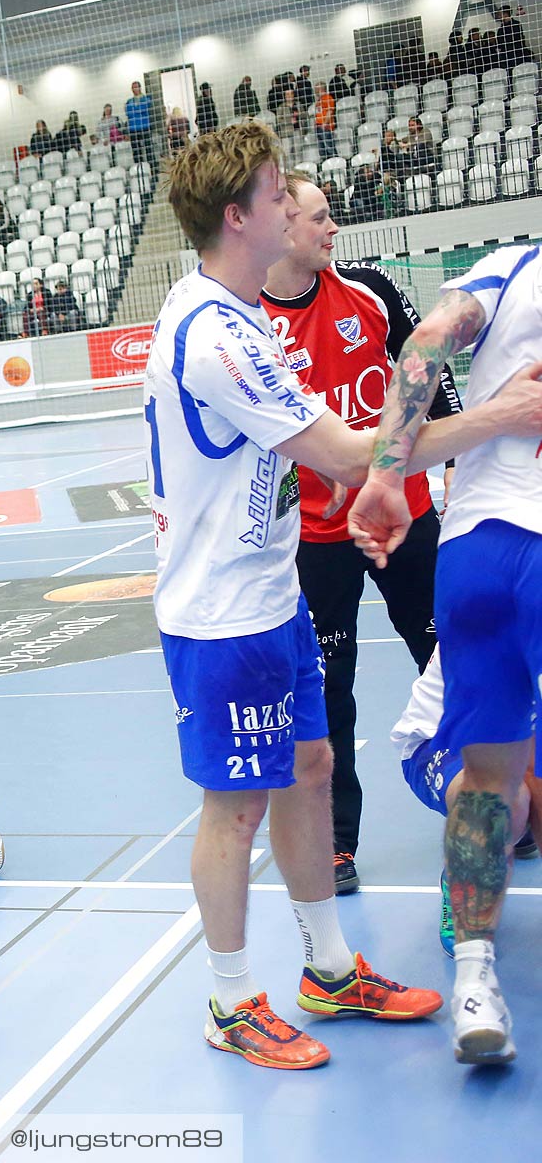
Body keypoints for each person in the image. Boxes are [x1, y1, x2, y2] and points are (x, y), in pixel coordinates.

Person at [148, 123, 542, 1069]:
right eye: (280, 194)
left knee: (313, 765)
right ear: (241, 218)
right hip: (218, 615)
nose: (296, 205)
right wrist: (505, 416)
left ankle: (326, 966)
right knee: (233, 806)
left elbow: (314, 454)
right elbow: (348, 450)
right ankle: (232, 1001)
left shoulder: (235, 313)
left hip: (269, 587)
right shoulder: (213, 334)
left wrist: (357, 493)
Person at [350, 239, 542, 1066]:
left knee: (491, 778)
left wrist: (388, 475)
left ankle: (472, 982)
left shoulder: (512, 267)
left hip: (482, 546)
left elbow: (425, 342)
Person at [261, 173, 461, 894]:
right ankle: (337, 843)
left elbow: (431, 372)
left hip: (402, 512)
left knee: (450, 657)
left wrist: (457, 461)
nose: (332, 229)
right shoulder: (248, 321)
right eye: (319, 219)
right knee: (328, 686)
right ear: (282, 228)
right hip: (314, 537)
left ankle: (493, 801)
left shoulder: (371, 291)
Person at [392, 652, 542, 958]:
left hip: (517, 739)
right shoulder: (508, 623)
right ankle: (460, 878)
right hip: (442, 741)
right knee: (501, 804)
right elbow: (529, 768)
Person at [125, 80, 157, 169]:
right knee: (136, 151)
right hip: (133, 129)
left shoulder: (146, 99)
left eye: (136, 87)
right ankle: (139, 168)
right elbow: (128, 113)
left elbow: (144, 109)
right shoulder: (129, 101)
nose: (134, 89)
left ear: (140, 88)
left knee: (148, 149)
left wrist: (136, 110)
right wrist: (138, 110)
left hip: (145, 127)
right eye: (133, 87)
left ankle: (152, 168)